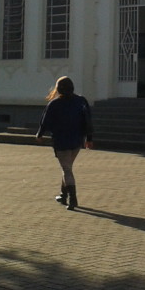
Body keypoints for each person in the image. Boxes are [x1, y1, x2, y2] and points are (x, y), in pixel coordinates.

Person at [35, 76, 93, 210]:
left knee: (66, 169)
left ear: (58, 89)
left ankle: (73, 200)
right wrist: (89, 139)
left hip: (61, 141)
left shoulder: (54, 104)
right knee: (67, 168)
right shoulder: (81, 101)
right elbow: (88, 120)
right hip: (77, 140)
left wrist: (39, 134)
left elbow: (45, 121)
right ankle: (63, 195)